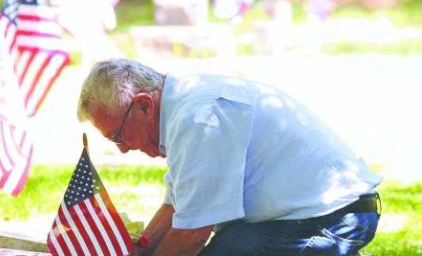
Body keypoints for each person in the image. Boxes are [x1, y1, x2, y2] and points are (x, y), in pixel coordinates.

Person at [77, 58, 382, 256]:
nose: (123, 149)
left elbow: (192, 234)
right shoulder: (181, 108)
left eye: (118, 136)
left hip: (331, 218)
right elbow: (177, 206)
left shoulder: (198, 118)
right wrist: (140, 249)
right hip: (298, 217)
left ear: (143, 105)